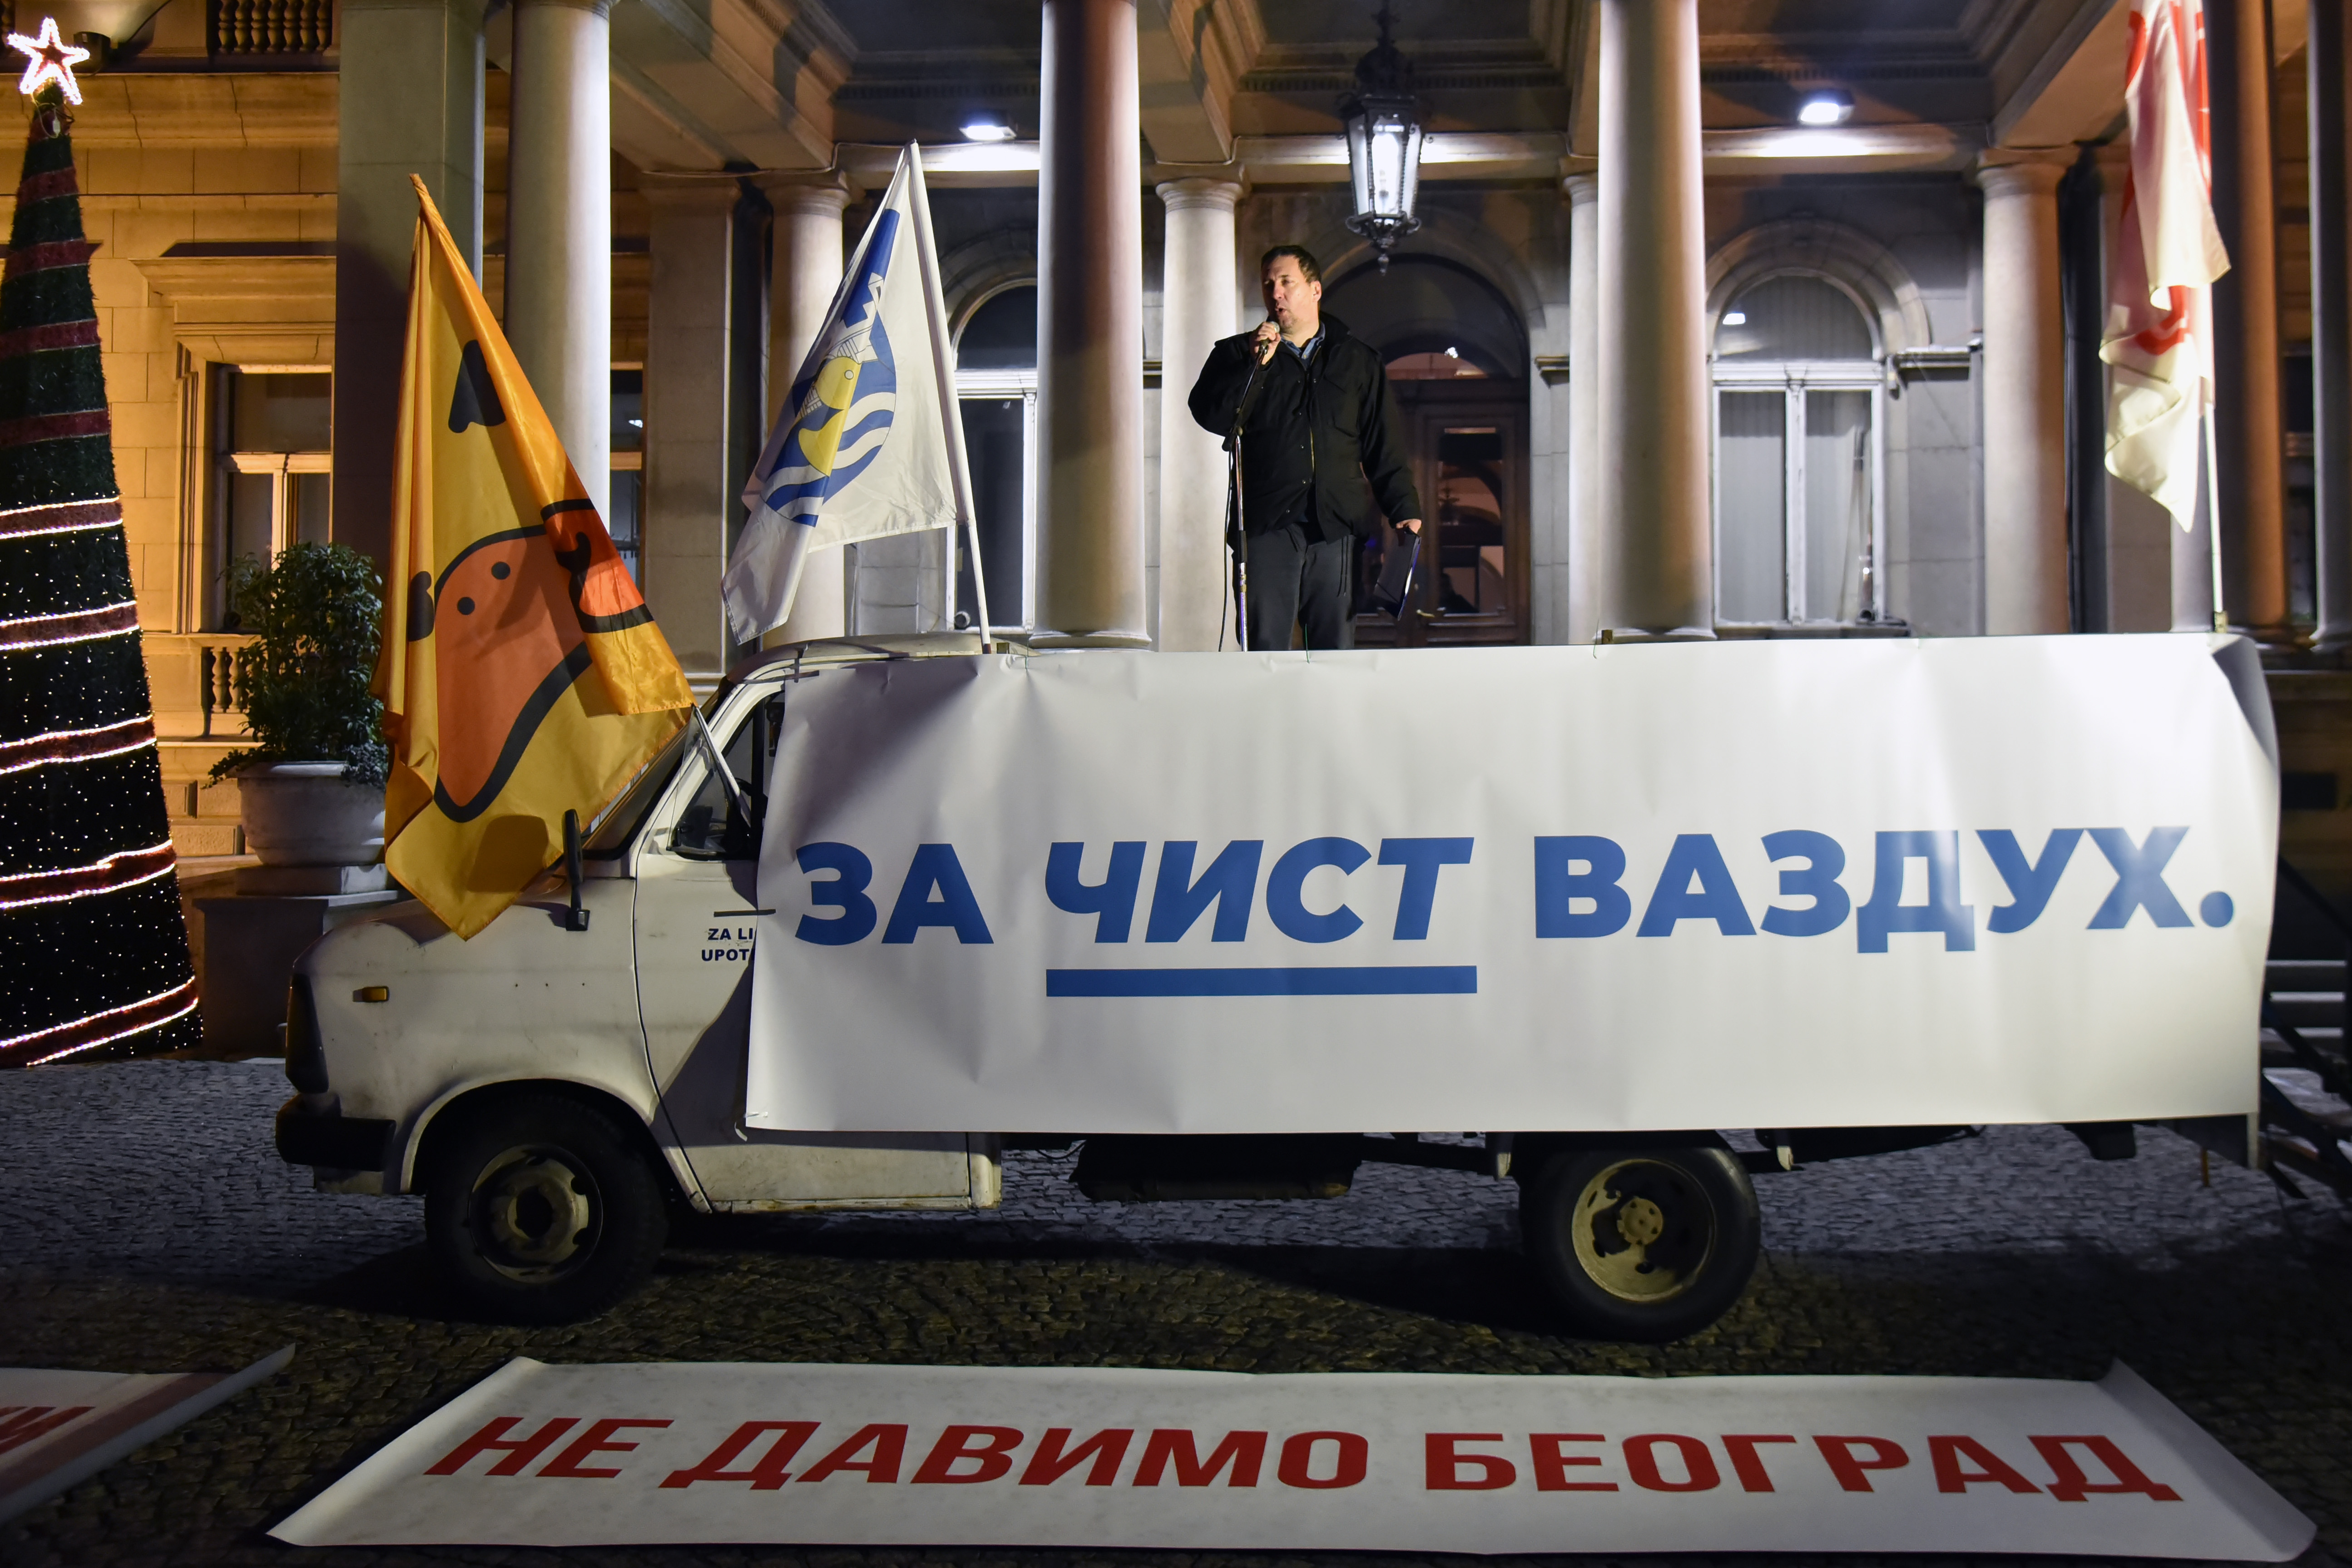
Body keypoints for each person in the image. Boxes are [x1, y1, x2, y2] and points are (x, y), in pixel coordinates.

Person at [1188, 244, 1423, 651]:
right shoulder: (1237, 354)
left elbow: (1382, 443)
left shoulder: (1357, 361)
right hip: (1266, 528)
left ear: (1315, 289)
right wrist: (1253, 366)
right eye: (1268, 284)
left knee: (1333, 653)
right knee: (1265, 651)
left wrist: (1403, 509)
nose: (1275, 293)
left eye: (1286, 282)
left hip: (1335, 528)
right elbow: (1210, 415)